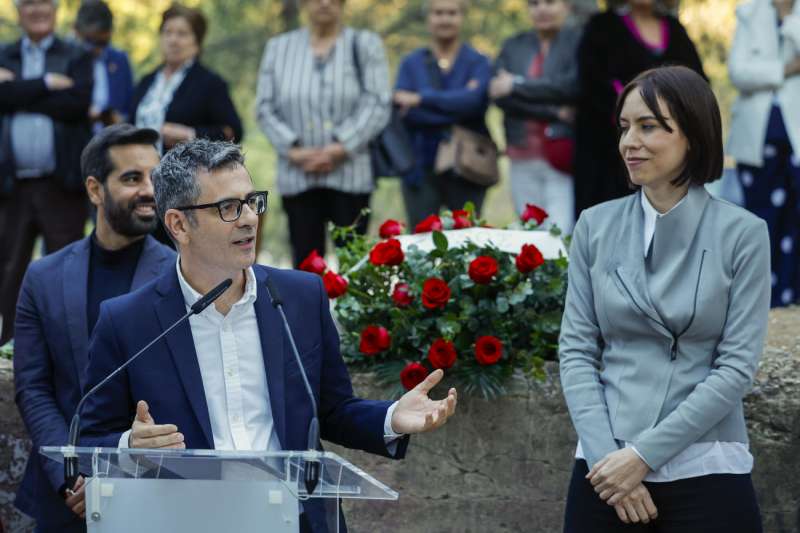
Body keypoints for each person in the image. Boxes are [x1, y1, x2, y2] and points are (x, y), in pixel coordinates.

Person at [78, 139, 458, 533]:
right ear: (178, 224)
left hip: (294, 519)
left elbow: (330, 411)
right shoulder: (128, 321)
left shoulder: (300, 298)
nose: (248, 219)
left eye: (251, 201)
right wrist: (129, 446)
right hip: (186, 520)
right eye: (228, 207)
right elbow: (86, 443)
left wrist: (392, 417)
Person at [559, 66, 768, 532]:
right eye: (625, 127)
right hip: (603, 467)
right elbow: (575, 352)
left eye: (649, 126)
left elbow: (736, 367)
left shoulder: (744, 234)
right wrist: (609, 459)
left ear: (692, 134)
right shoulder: (594, 226)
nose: (629, 141)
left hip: (706, 463)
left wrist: (642, 455)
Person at [13, 124, 175, 533]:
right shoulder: (42, 276)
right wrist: (72, 474)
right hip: (65, 498)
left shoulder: (181, 276)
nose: (150, 190)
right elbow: (33, 388)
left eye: (155, 177)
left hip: (154, 491)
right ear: (95, 189)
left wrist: (117, 473)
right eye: (132, 178)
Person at [256, 0, 390, 266]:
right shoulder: (278, 48)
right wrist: (294, 150)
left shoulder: (365, 44)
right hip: (298, 176)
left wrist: (339, 147)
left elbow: (377, 102)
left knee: (355, 267)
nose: (325, 3)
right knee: (305, 267)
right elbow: (264, 108)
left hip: (350, 174)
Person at [0, 0, 94, 345]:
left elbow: (77, 104)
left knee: (64, 273)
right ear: (17, 10)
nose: (37, 9)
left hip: (62, 185)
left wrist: (15, 91)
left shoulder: (76, 55)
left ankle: (63, 349)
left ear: (55, 9)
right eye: (29, 3)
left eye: (44, 2)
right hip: (10, 186)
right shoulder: (3, 53)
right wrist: (45, 83)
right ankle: (10, 349)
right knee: (8, 272)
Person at [573, 0, 705, 219]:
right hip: (608, 156)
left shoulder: (675, 29)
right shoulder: (601, 27)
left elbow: (697, 84)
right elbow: (591, 85)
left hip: (666, 156)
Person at [393, 0, 492, 227]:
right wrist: (456, 105)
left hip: (468, 166)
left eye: (452, 13)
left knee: (468, 240)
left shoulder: (479, 62)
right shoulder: (411, 63)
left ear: (462, 17)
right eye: (438, 13)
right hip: (419, 164)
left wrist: (422, 99)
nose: (445, 19)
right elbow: (406, 113)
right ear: (429, 18)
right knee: (422, 242)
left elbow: (474, 103)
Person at [727, 0, 800, 307]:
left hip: (795, 132)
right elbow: (738, 72)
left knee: (796, 216)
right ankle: (760, 297)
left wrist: (788, 18)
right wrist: (785, 70)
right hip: (758, 136)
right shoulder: (748, 12)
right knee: (760, 217)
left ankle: (790, 292)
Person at [490, 0, 581, 233]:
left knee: (561, 232)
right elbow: (500, 96)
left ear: (566, 6)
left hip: (563, 153)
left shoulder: (577, 42)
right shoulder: (513, 45)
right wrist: (554, 111)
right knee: (529, 233)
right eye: (534, 3)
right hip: (521, 153)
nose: (542, 9)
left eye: (550, 2)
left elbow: (571, 86)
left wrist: (517, 84)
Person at [131, 3, 243, 152]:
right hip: (142, 170)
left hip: (186, 171)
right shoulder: (147, 81)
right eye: (167, 32)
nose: (173, 40)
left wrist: (191, 134)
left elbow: (233, 132)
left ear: (197, 43)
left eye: (182, 34)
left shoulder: (210, 84)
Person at [74, 0, 135, 132]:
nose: (97, 49)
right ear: (77, 32)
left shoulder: (120, 60)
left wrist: (118, 118)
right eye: (90, 42)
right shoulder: (69, 59)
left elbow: (129, 106)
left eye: (102, 43)